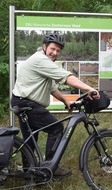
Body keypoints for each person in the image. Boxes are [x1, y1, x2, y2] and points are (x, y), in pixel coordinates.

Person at [10, 33, 99, 177]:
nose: (55, 53)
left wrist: (65, 100)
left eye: (58, 50)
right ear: (44, 47)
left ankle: (30, 174)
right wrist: (89, 88)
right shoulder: (40, 60)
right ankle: (51, 167)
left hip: (22, 102)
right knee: (56, 128)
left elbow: (51, 87)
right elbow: (66, 77)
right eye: (52, 48)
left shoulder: (43, 61)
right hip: (26, 103)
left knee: (30, 140)